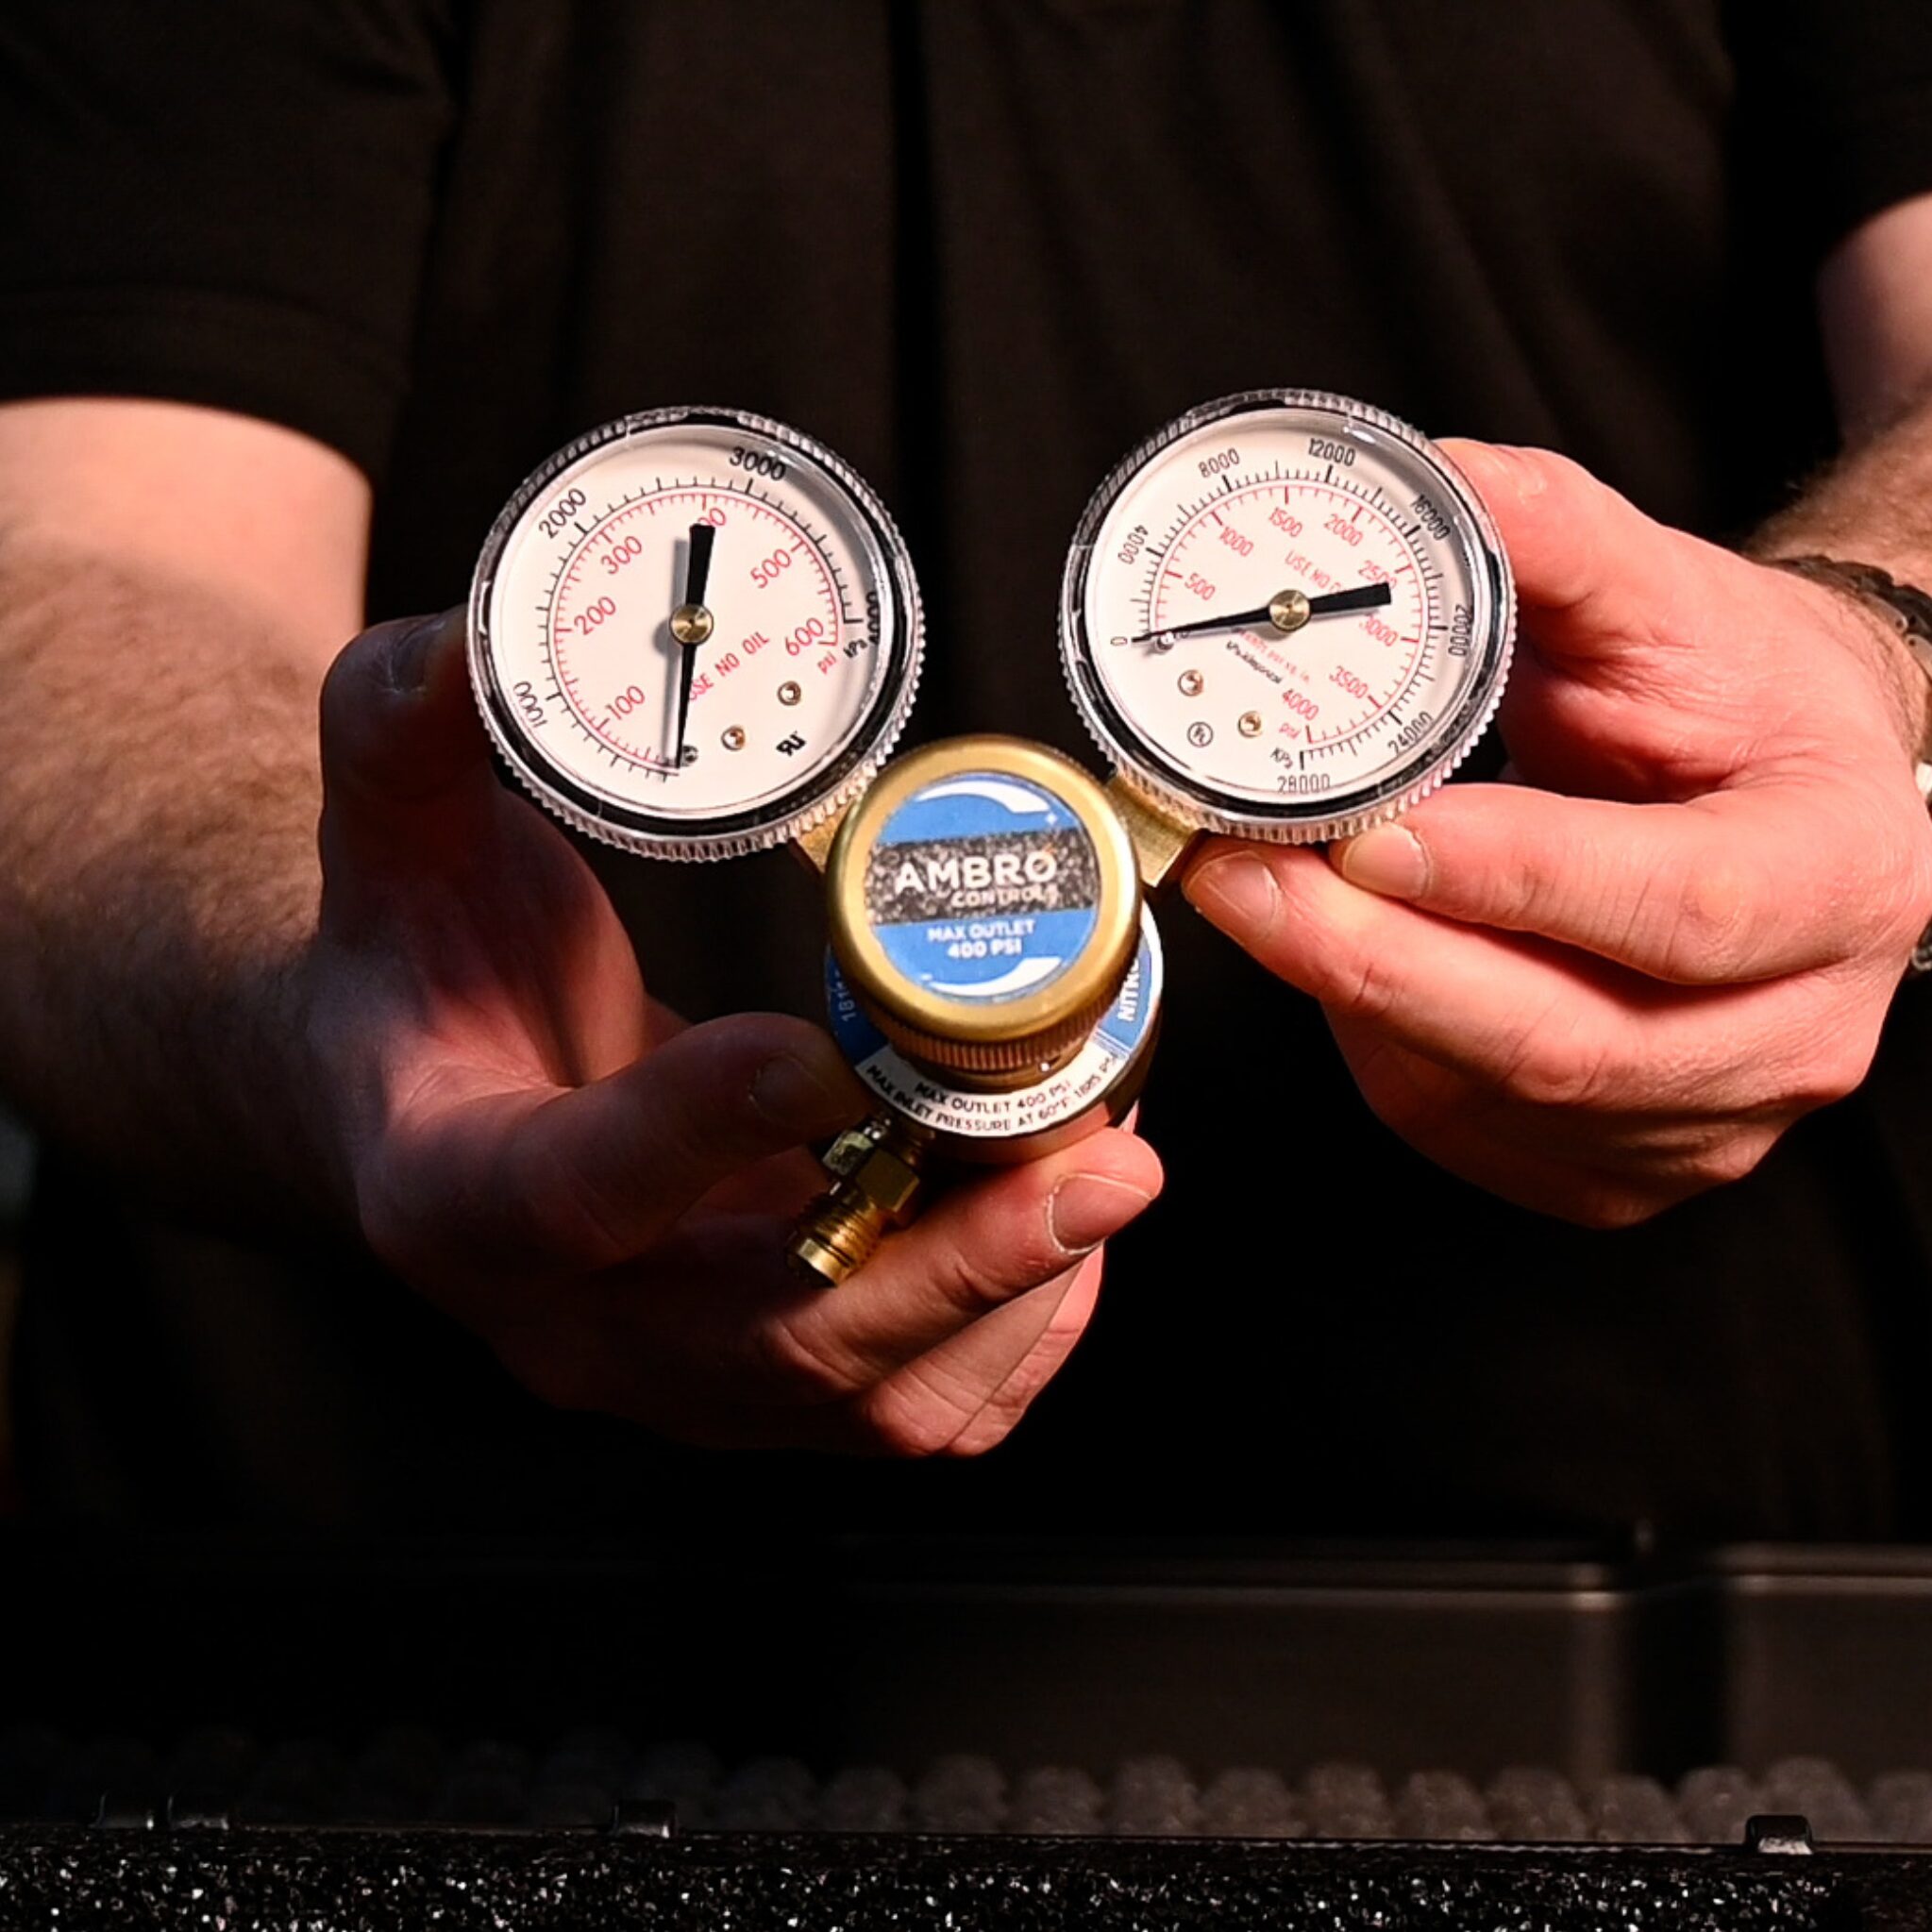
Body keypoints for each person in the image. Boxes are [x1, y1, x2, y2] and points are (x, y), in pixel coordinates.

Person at [2, 1, 1931, 1538]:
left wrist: (1871, 649)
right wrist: (329, 991)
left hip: (1623, 1625)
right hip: (384, 1644)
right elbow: (78, 584)